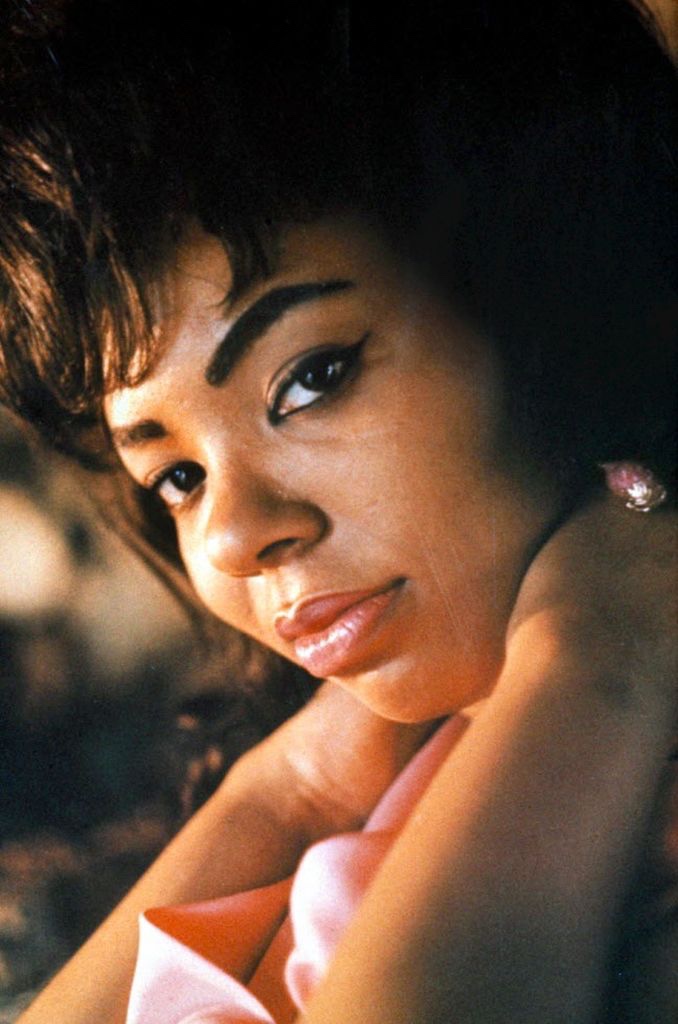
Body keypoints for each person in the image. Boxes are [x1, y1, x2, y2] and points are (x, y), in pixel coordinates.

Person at [0, 1, 675, 1021]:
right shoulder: (378, 774)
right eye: (176, 477)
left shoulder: (617, 790)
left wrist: (599, 662)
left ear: (545, 290)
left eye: (311, 378)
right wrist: (286, 788)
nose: (230, 536)